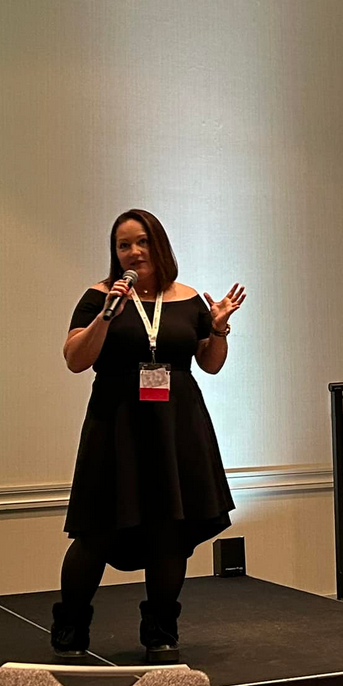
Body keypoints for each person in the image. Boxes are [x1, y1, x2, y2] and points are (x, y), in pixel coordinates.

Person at [53, 208, 246, 663]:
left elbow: (211, 362)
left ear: (159, 246)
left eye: (141, 242)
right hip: (115, 426)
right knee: (95, 532)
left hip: (177, 427)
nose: (133, 252)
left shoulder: (190, 298)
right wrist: (106, 315)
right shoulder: (98, 297)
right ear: (114, 253)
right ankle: (70, 629)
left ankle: (160, 630)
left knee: (169, 532)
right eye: (123, 245)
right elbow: (75, 359)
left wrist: (218, 328)